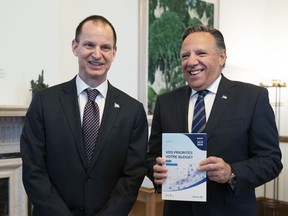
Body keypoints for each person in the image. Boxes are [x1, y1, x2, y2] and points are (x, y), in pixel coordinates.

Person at [146, 24, 283, 216]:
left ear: (222, 57)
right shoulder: (166, 102)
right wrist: (155, 169)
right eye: (185, 56)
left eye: (201, 53)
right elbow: (152, 155)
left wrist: (231, 172)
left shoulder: (252, 97)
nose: (191, 61)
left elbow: (271, 161)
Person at [20, 15, 148, 216]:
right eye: (89, 45)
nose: (97, 55)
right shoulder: (44, 103)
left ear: (114, 53)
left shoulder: (132, 111)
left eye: (105, 47)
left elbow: (132, 176)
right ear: (75, 47)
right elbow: (33, 170)